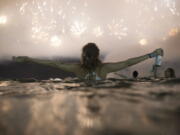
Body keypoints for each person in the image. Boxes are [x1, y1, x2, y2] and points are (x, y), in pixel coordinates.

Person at [13, 43, 164, 81]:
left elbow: (128, 62)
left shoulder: (78, 69)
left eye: (89, 56)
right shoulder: (104, 69)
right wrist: (151, 55)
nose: (89, 58)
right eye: (88, 56)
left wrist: (151, 54)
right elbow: (127, 62)